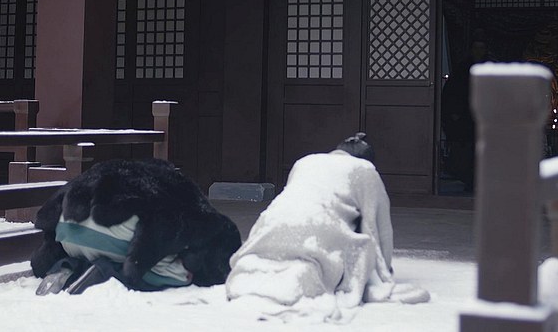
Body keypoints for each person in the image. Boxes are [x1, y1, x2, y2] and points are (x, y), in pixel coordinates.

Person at [225, 133, 430, 322]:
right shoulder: (364, 170)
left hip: (270, 224)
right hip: (319, 228)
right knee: (312, 263)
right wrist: (383, 268)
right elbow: (378, 226)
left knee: (264, 259)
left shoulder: (304, 162)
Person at [30, 158, 242, 295]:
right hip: (113, 231)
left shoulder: (128, 169)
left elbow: (47, 214)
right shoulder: (202, 213)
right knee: (179, 273)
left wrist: (45, 256)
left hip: (67, 230)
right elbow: (161, 228)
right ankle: (105, 272)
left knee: (150, 242)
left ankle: (67, 266)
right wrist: (134, 269)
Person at [441, 34, 489, 193]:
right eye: (476, 48)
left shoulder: (491, 69)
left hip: (486, 117)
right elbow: (452, 92)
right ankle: (470, 181)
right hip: (466, 118)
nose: (479, 51)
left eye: (482, 48)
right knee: (466, 152)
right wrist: (455, 113)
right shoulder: (462, 69)